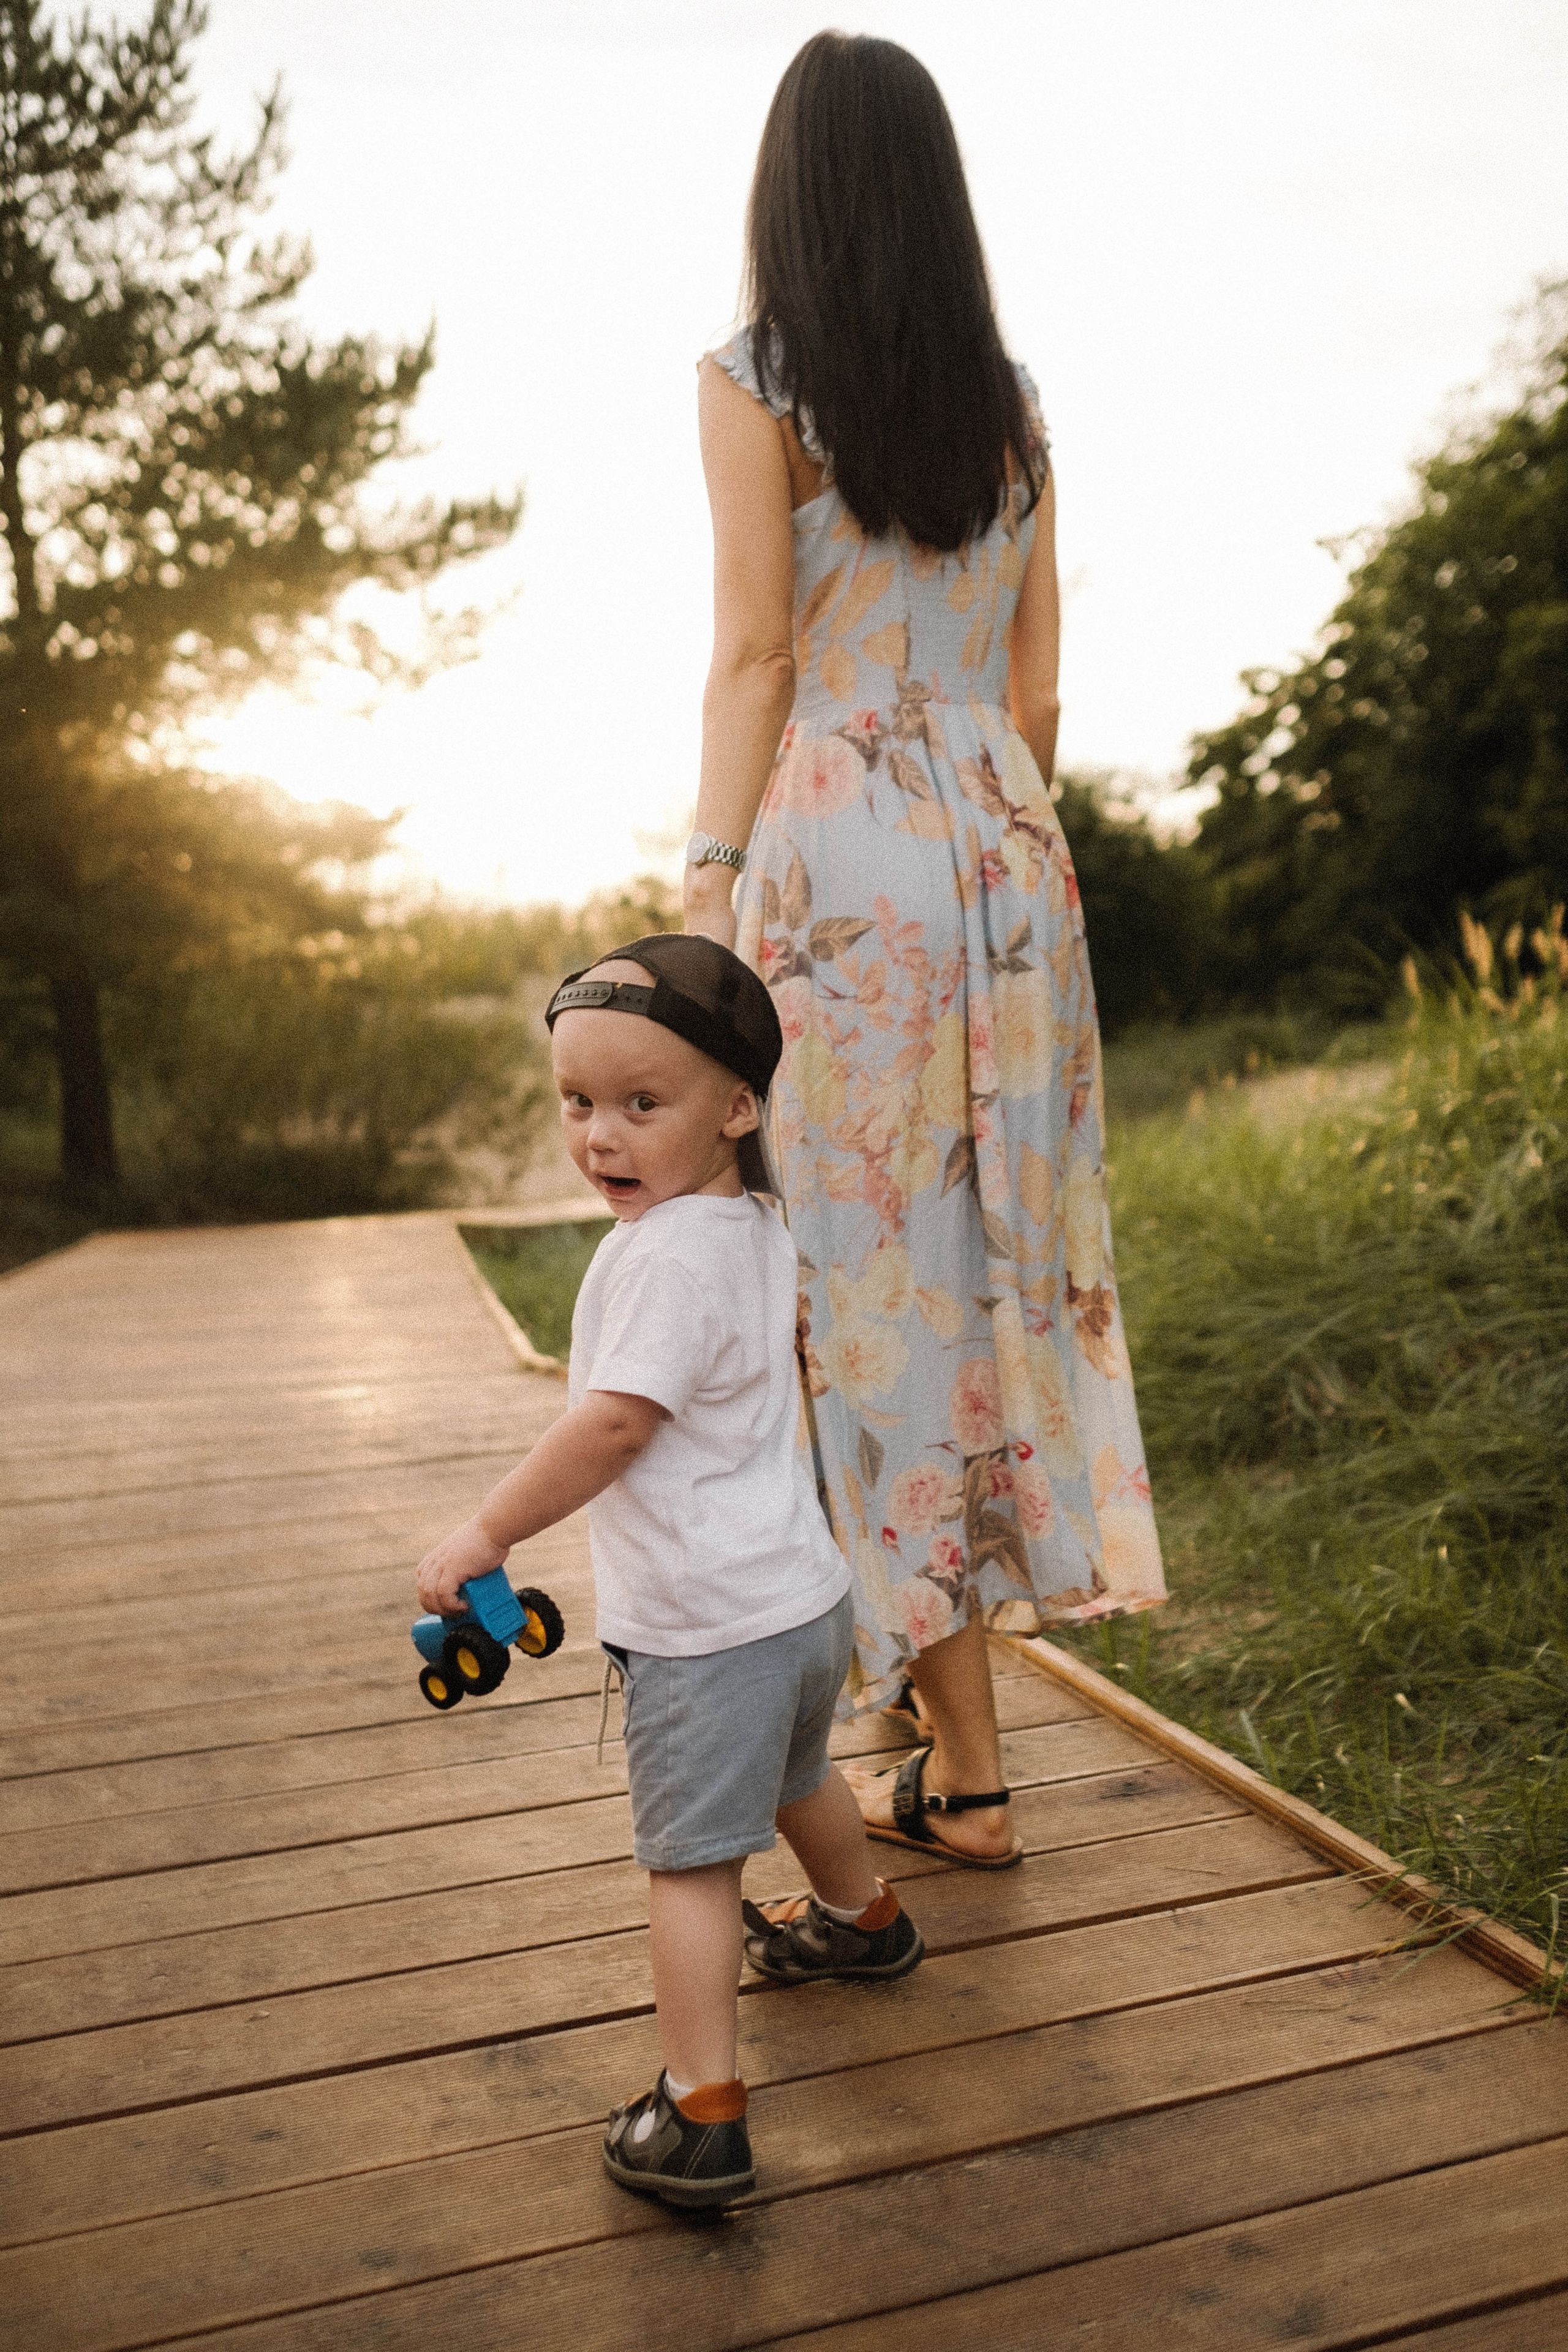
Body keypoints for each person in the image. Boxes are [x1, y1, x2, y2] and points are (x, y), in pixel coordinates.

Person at [684, 33, 1167, 1872]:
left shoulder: (754, 381)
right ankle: (917, 1694)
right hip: (1005, 848)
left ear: (788, 187)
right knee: (991, 1273)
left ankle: (961, 1768)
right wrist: (992, 833)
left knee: (860, 1301)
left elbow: (757, 654)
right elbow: (1040, 682)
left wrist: (716, 885)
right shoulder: (1014, 399)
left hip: (847, 843)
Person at [415, 932, 922, 2210]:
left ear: (736, 1107)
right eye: (578, 1103)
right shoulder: (749, 1223)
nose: (600, 1137)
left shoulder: (656, 1258)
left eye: (643, 1105)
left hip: (706, 1629)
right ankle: (866, 1924)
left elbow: (611, 1424)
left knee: (690, 1864)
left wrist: (486, 1532)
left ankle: (700, 2112)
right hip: (798, 1604)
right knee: (797, 1772)